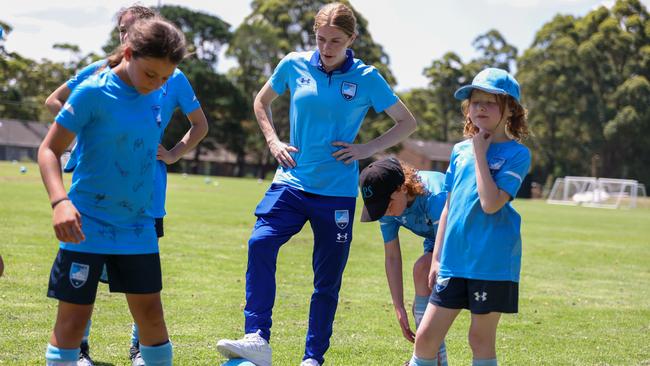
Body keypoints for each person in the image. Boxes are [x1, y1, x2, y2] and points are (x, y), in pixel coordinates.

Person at [216, 3, 417, 366]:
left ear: (351, 39)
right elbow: (261, 101)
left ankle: (313, 358)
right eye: (321, 39)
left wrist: (366, 149)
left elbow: (407, 122)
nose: (326, 47)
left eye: (335, 41)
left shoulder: (367, 78)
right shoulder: (293, 64)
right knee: (260, 242)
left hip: (337, 193)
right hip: (292, 181)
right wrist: (273, 141)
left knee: (327, 279)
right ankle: (257, 337)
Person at [44, 6, 208, 366]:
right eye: (151, 74)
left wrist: (174, 152)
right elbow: (48, 150)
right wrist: (60, 202)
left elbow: (193, 124)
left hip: (137, 224)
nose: (156, 85)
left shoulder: (158, 90)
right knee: (72, 322)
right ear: (129, 53)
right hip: (86, 223)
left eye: (164, 79)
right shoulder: (92, 91)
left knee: (151, 317)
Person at [409, 68, 531, 366]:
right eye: (476, 101)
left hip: (491, 262)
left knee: (479, 339)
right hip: (453, 261)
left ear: (510, 109)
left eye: (491, 102)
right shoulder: (459, 151)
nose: (480, 108)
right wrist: (437, 257)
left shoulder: (518, 154)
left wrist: (480, 152)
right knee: (426, 338)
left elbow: (491, 204)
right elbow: (449, 207)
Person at [358, 157, 448, 365]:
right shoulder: (387, 210)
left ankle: (428, 360)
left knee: (422, 271)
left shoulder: (434, 195)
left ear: (402, 188)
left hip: (466, 235)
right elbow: (392, 257)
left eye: (386, 204)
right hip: (436, 240)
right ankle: (432, 360)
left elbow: (449, 240)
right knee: (422, 302)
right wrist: (398, 306)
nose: (385, 212)